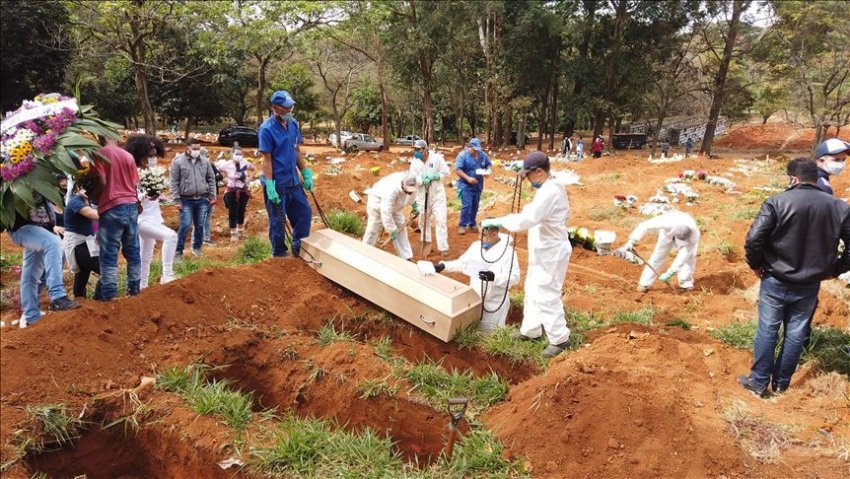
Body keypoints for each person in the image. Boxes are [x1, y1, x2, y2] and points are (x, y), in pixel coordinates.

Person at [739, 158, 850, 397]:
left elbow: (753, 239)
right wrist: (835, 270)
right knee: (796, 333)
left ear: (793, 179)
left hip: (776, 278)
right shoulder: (839, 207)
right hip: (810, 283)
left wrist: (756, 265)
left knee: (768, 329)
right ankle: (781, 385)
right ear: (816, 178)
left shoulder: (777, 202)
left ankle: (758, 383)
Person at [482, 151, 573, 358]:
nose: (527, 179)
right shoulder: (550, 184)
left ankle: (560, 339)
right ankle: (530, 330)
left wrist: (500, 221)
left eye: (528, 174)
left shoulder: (550, 192)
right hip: (543, 249)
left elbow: (528, 219)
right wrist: (523, 167)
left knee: (546, 292)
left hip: (551, 251)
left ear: (539, 172)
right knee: (532, 288)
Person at [428, 224, 520, 331]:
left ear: (494, 234)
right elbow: (462, 263)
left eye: (483, 235)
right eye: (479, 234)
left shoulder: (508, 253)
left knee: (488, 336)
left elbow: (514, 277)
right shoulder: (476, 246)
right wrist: (443, 266)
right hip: (474, 300)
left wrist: (494, 277)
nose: (479, 237)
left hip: (494, 304)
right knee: (473, 331)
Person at [8, 193, 80, 327]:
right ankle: (57, 297)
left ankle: (31, 316)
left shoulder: (39, 177)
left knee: (30, 274)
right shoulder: (14, 180)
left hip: (41, 230)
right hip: (23, 228)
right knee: (54, 243)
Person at [258, 90, 314, 257]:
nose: (290, 110)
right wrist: (270, 185)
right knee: (278, 222)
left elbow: (296, 150)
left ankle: (299, 249)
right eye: (287, 108)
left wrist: (305, 172)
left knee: (305, 213)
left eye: (292, 107)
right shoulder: (266, 129)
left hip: (293, 182)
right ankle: (279, 254)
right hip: (277, 183)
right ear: (276, 108)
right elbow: (267, 160)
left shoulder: (293, 124)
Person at [125, 135, 178, 288]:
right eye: (150, 155)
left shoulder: (153, 173)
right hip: (140, 219)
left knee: (145, 256)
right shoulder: (132, 174)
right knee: (171, 236)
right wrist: (144, 195)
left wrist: (161, 195)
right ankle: (167, 275)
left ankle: (142, 288)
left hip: (154, 217)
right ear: (140, 155)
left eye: (155, 155)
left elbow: (155, 195)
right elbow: (130, 198)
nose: (153, 158)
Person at [95, 136, 142, 300]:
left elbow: (101, 180)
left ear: (101, 137)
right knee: (133, 251)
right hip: (131, 205)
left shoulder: (100, 153)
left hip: (111, 205)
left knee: (109, 254)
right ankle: (134, 291)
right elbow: (135, 183)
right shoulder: (128, 156)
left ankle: (109, 297)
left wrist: (94, 196)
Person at [616, 211, 700, 293]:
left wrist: (671, 272)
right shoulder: (666, 222)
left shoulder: (694, 236)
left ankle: (686, 283)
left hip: (687, 241)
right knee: (657, 257)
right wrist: (632, 241)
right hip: (667, 235)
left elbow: (683, 256)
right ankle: (645, 283)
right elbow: (644, 226)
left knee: (689, 259)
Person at [170, 139, 216, 259]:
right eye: (194, 148)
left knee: (200, 225)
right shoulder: (178, 162)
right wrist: (177, 199)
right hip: (186, 200)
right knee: (185, 225)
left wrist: (212, 195)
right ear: (188, 148)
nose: (197, 151)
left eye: (198, 148)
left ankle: (197, 248)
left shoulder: (205, 161)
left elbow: (211, 179)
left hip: (202, 199)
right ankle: (178, 251)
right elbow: (173, 182)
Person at [362, 172, 418, 260]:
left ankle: (406, 257)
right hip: (378, 201)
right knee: (374, 227)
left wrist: (415, 204)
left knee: (400, 225)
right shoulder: (392, 190)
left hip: (395, 205)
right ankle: (364, 252)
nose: (410, 193)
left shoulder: (413, 183)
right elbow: (385, 211)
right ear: (403, 185)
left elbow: (412, 195)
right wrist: (392, 230)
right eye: (408, 191)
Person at [409, 139, 449, 256]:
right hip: (422, 196)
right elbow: (413, 179)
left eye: (418, 149)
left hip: (437, 195)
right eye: (415, 149)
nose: (416, 152)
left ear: (425, 149)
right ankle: (427, 244)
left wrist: (436, 176)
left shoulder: (437, 158)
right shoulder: (414, 163)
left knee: (441, 220)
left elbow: (445, 172)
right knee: (423, 221)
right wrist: (422, 180)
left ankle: (443, 248)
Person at [63, 182, 101, 299]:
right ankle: (98, 302)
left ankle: (81, 303)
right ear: (78, 188)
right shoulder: (76, 202)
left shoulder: (88, 201)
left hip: (85, 243)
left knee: (83, 273)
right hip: (77, 245)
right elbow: (94, 215)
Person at [217, 146, 256, 242]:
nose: (238, 156)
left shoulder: (245, 163)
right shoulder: (226, 164)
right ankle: (233, 233)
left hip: (243, 191)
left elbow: (254, 169)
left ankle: (241, 231)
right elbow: (219, 171)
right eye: (236, 154)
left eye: (240, 154)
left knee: (241, 210)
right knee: (233, 211)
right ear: (232, 154)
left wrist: (249, 179)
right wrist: (225, 180)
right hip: (232, 191)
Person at [454, 138, 492, 235]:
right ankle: (462, 225)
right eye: (474, 149)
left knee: (475, 205)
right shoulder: (463, 155)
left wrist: (488, 171)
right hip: (465, 185)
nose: (476, 151)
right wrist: (468, 178)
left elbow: (488, 165)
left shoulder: (482, 155)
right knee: (467, 206)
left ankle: (472, 223)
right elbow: (458, 169)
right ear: (470, 147)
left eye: (478, 149)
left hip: (478, 185)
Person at [202, 148, 222, 246]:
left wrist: (212, 178)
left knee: (208, 217)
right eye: (205, 154)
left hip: (212, 194)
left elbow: (220, 176)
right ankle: (200, 239)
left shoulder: (211, 165)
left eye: (207, 154)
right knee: (202, 217)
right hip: (203, 196)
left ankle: (206, 238)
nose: (207, 156)